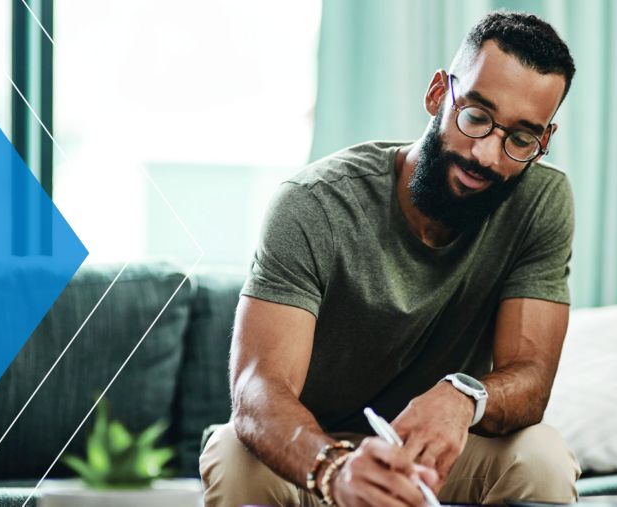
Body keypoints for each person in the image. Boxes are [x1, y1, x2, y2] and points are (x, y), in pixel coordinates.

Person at [201, 9, 580, 507]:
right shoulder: (313, 203)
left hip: (434, 458)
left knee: (542, 455)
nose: (487, 155)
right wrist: (334, 469)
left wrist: (463, 395)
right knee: (233, 452)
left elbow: (531, 379)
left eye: (521, 138)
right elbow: (257, 390)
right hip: (314, 453)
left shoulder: (540, 201)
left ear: (543, 141)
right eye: (476, 117)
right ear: (438, 95)